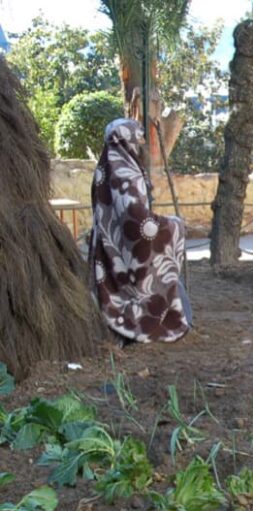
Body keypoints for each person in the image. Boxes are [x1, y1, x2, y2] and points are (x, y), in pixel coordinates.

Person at [88, 118, 192, 343]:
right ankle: (146, 324)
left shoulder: (109, 165)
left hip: (110, 247)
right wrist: (171, 224)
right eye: (140, 138)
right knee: (150, 282)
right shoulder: (122, 170)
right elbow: (134, 216)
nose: (143, 143)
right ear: (129, 140)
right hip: (122, 248)